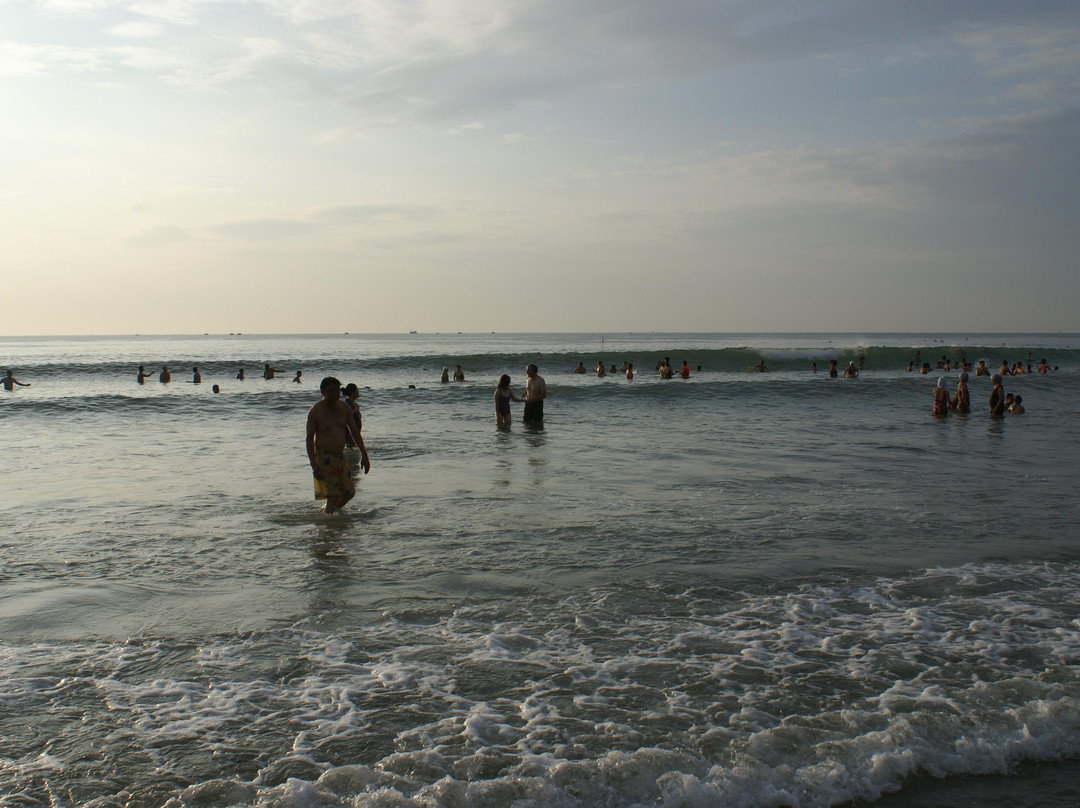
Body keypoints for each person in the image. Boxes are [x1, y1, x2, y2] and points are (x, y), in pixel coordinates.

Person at [306, 377, 369, 514]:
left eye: (337, 391)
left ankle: (329, 515)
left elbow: (355, 432)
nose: (335, 394)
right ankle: (329, 523)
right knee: (333, 495)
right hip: (323, 457)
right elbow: (309, 439)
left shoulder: (344, 407)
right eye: (331, 391)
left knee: (349, 492)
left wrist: (364, 455)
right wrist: (313, 464)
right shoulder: (315, 411)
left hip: (340, 456)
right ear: (323, 391)